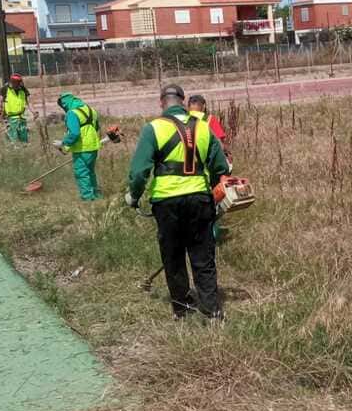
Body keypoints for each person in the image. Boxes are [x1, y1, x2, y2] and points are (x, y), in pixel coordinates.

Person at [126, 84, 230, 319]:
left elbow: (139, 171)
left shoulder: (153, 129)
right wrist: (213, 193)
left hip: (167, 202)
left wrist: (133, 196)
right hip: (200, 200)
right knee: (203, 255)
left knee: (173, 256)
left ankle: (182, 308)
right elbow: (220, 167)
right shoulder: (203, 128)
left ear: (162, 102)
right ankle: (212, 309)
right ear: (183, 102)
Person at [53, 93, 102, 201]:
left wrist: (63, 143)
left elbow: (74, 133)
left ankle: (88, 198)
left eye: (62, 106)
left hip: (82, 148)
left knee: (82, 173)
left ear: (65, 104)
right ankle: (97, 195)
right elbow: (97, 127)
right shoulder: (91, 110)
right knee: (90, 172)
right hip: (93, 147)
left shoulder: (72, 113)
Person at [187, 94, 229, 160]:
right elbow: (220, 144)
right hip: (207, 159)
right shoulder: (210, 119)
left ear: (188, 107)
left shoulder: (182, 120)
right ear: (203, 106)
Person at [0, 73, 29, 143]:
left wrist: (34, 111)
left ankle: (24, 146)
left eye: (19, 82)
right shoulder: (5, 89)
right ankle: (13, 147)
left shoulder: (23, 89)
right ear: (12, 82)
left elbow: (28, 102)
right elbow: (0, 101)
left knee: (24, 137)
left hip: (22, 117)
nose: (17, 84)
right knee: (12, 137)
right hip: (11, 118)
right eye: (15, 82)